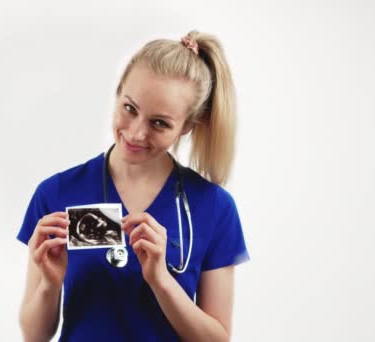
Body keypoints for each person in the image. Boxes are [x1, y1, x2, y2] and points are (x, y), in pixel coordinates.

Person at [16, 30, 250, 341]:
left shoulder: (214, 207)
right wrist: (50, 283)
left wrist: (161, 280)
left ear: (186, 128)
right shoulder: (56, 193)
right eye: (129, 108)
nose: (136, 133)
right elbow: (34, 336)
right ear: (118, 92)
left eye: (160, 123)